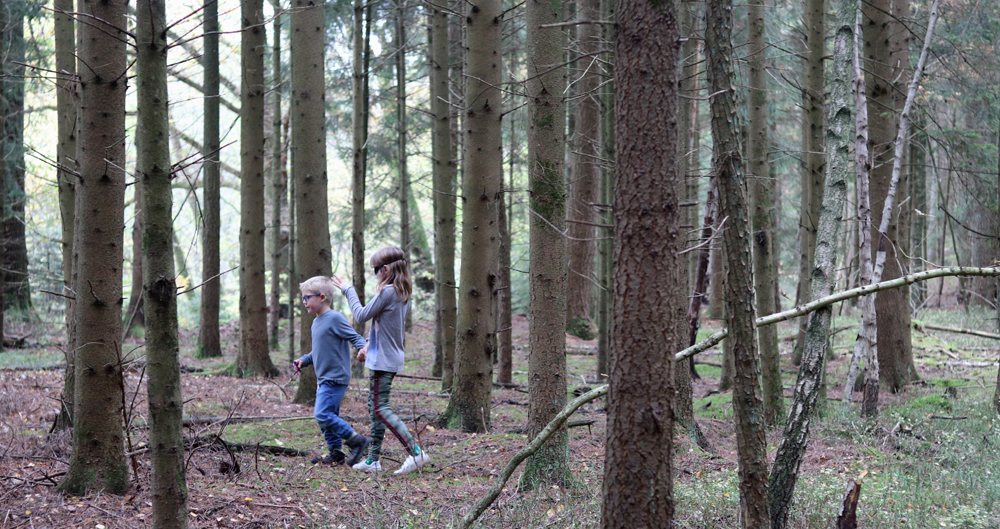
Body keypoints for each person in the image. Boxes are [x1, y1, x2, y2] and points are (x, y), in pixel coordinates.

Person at [332, 247, 431, 474]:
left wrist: (348, 290)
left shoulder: (388, 291)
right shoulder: (401, 292)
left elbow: (361, 315)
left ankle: (416, 453)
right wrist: (368, 345)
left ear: (385, 269)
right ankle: (373, 460)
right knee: (374, 407)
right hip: (385, 356)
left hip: (384, 360)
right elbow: (385, 327)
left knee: (380, 408)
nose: (375, 274)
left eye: (376, 270)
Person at [293, 276, 371, 467]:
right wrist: (304, 360)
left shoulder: (334, 318)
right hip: (324, 378)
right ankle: (336, 452)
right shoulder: (316, 322)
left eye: (307, 298)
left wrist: (364, 348)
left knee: (322, 414)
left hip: (335, 378)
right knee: (327, 419)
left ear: (321, 297)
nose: (304, 302)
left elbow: (354, 336)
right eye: (302, 298)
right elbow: (319, 350)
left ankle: (356, 440)